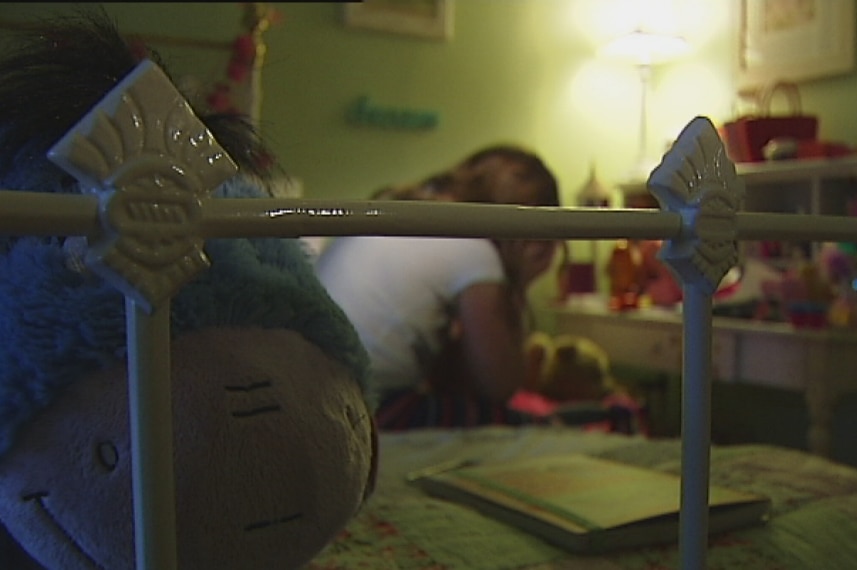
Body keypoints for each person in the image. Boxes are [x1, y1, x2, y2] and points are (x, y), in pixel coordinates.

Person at [316, 144, 561, 429]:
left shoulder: (402, 213)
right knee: (527, 426)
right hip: (371, 404)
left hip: (310, 388)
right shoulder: (474, 249)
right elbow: (499, 382)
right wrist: (517, 289)